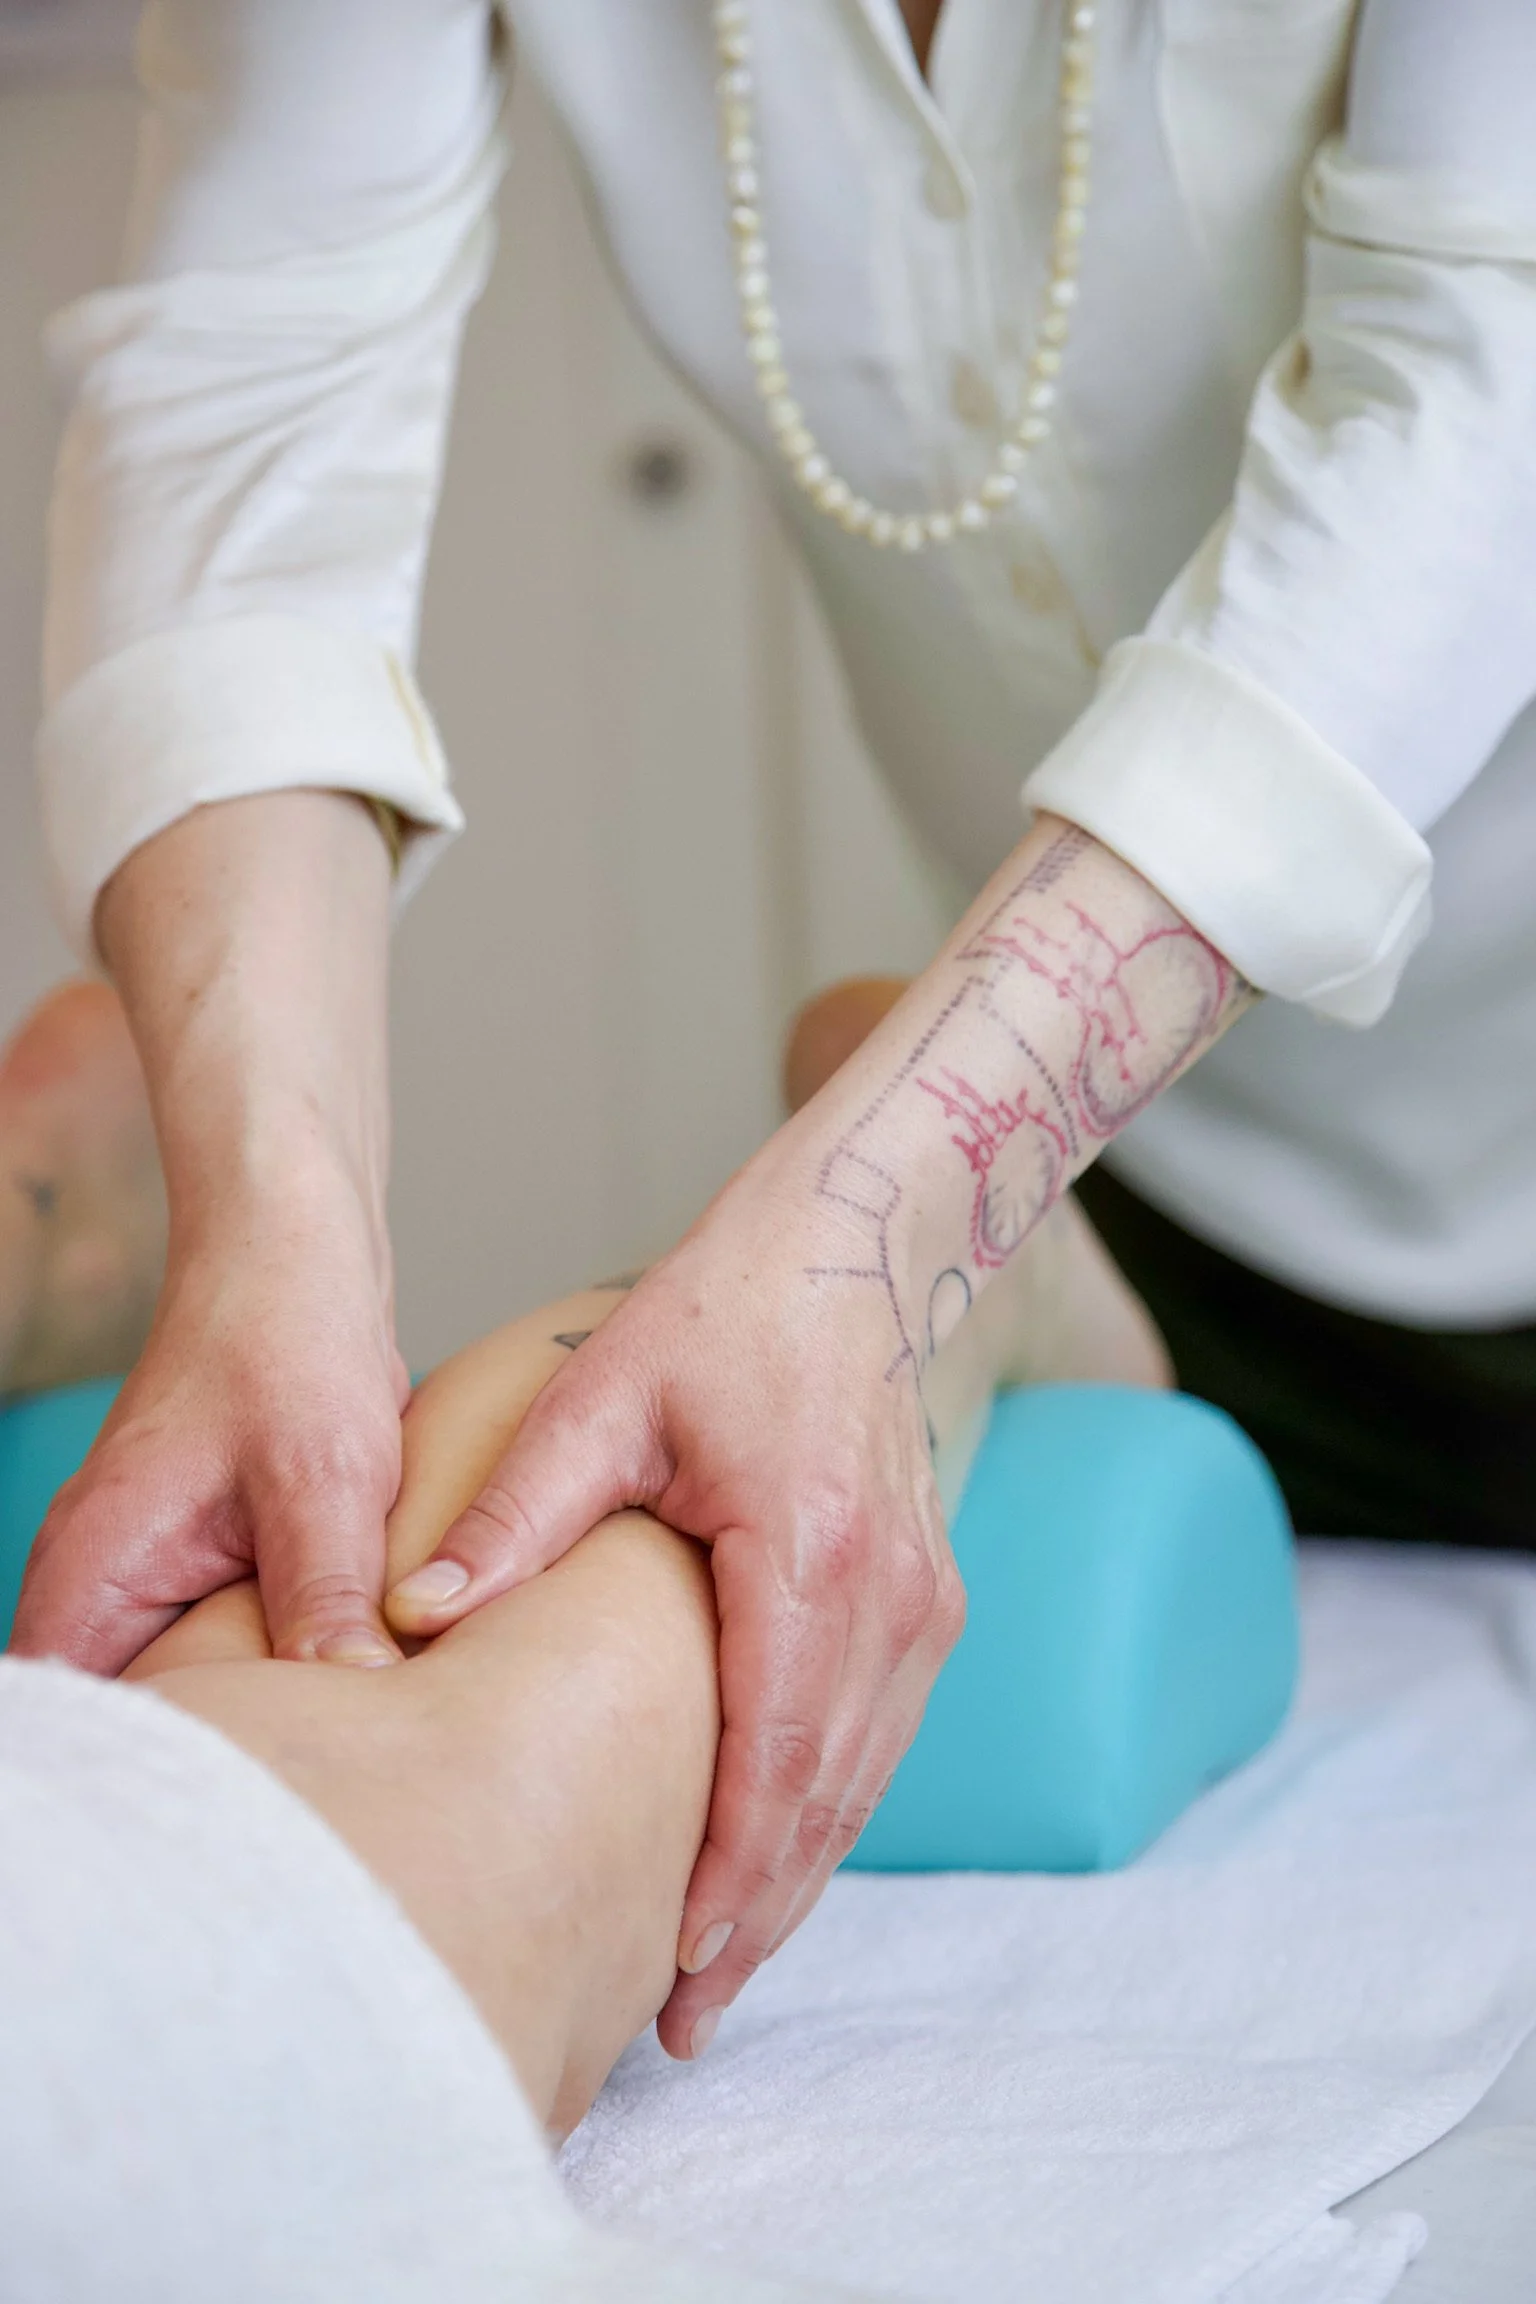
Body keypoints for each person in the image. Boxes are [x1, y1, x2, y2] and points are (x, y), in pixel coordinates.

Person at [15, 0, 1536, 2059]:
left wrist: (887, 1195)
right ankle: (996, 1286)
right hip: (1146, 1139)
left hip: (1065, 1108)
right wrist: (269, 1226)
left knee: (365, 1921)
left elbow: (1484, 400)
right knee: (622, 1512)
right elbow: (249, 363)